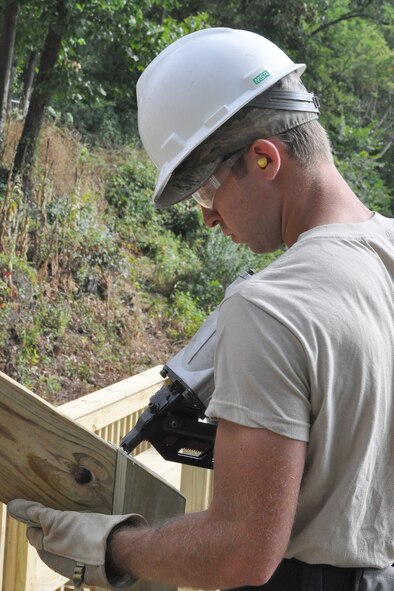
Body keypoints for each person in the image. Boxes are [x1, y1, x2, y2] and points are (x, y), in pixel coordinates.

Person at [8, 27, 394, 591]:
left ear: (264, 159)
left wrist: (112, 546)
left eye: (206, 192)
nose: (208, 218)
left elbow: (240, 552)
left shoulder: (271, 307)